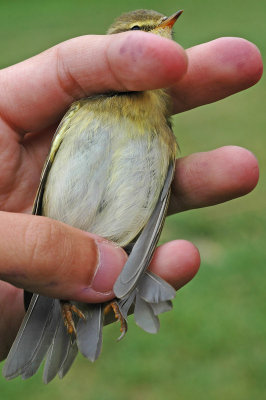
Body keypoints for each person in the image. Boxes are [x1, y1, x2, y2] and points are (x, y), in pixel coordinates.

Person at [0, 31, 262, 360]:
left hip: (108, 250)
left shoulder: (162, 128)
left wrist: (125, 275)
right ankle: (69, 302)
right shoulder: (84, 106)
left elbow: (154, 203)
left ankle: (87, 298)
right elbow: (48, 181)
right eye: (140, 29)